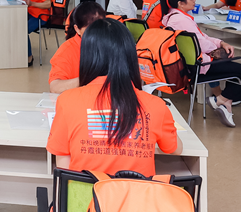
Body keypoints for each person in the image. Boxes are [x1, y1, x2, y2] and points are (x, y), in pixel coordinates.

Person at [48, 18, 181, 176]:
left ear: (87, 57)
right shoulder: (156, 105)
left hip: (87, 192)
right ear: (130, 57)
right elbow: (175, 149)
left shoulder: (67, 101)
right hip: (135, 192)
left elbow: (63, 162)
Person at [161, 0, 241, 128]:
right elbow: (201, 44)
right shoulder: (181, 20)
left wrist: (221, 43)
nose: (194, 0)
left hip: (191, 65)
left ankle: (225, 103)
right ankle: (220, 100)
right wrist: (216, 49)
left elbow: (202, 37)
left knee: (236, 69)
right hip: (200, 67)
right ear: (181, 3)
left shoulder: (174, 17)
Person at [48, 1, 106, 94]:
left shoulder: (111, 43)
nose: (97, 34)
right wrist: (88, 79)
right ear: (77, 29)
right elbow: (55, 87)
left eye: (100, 28)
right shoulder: (67, 51)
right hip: (80, 99)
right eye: (90, 30)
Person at [20, 0, 52, 65]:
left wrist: (32, 3)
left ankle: (29, 57)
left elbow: (48, 4)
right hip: (28, 13)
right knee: (13, 25)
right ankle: (17, 52)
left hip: (40, 16)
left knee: (23, 30)